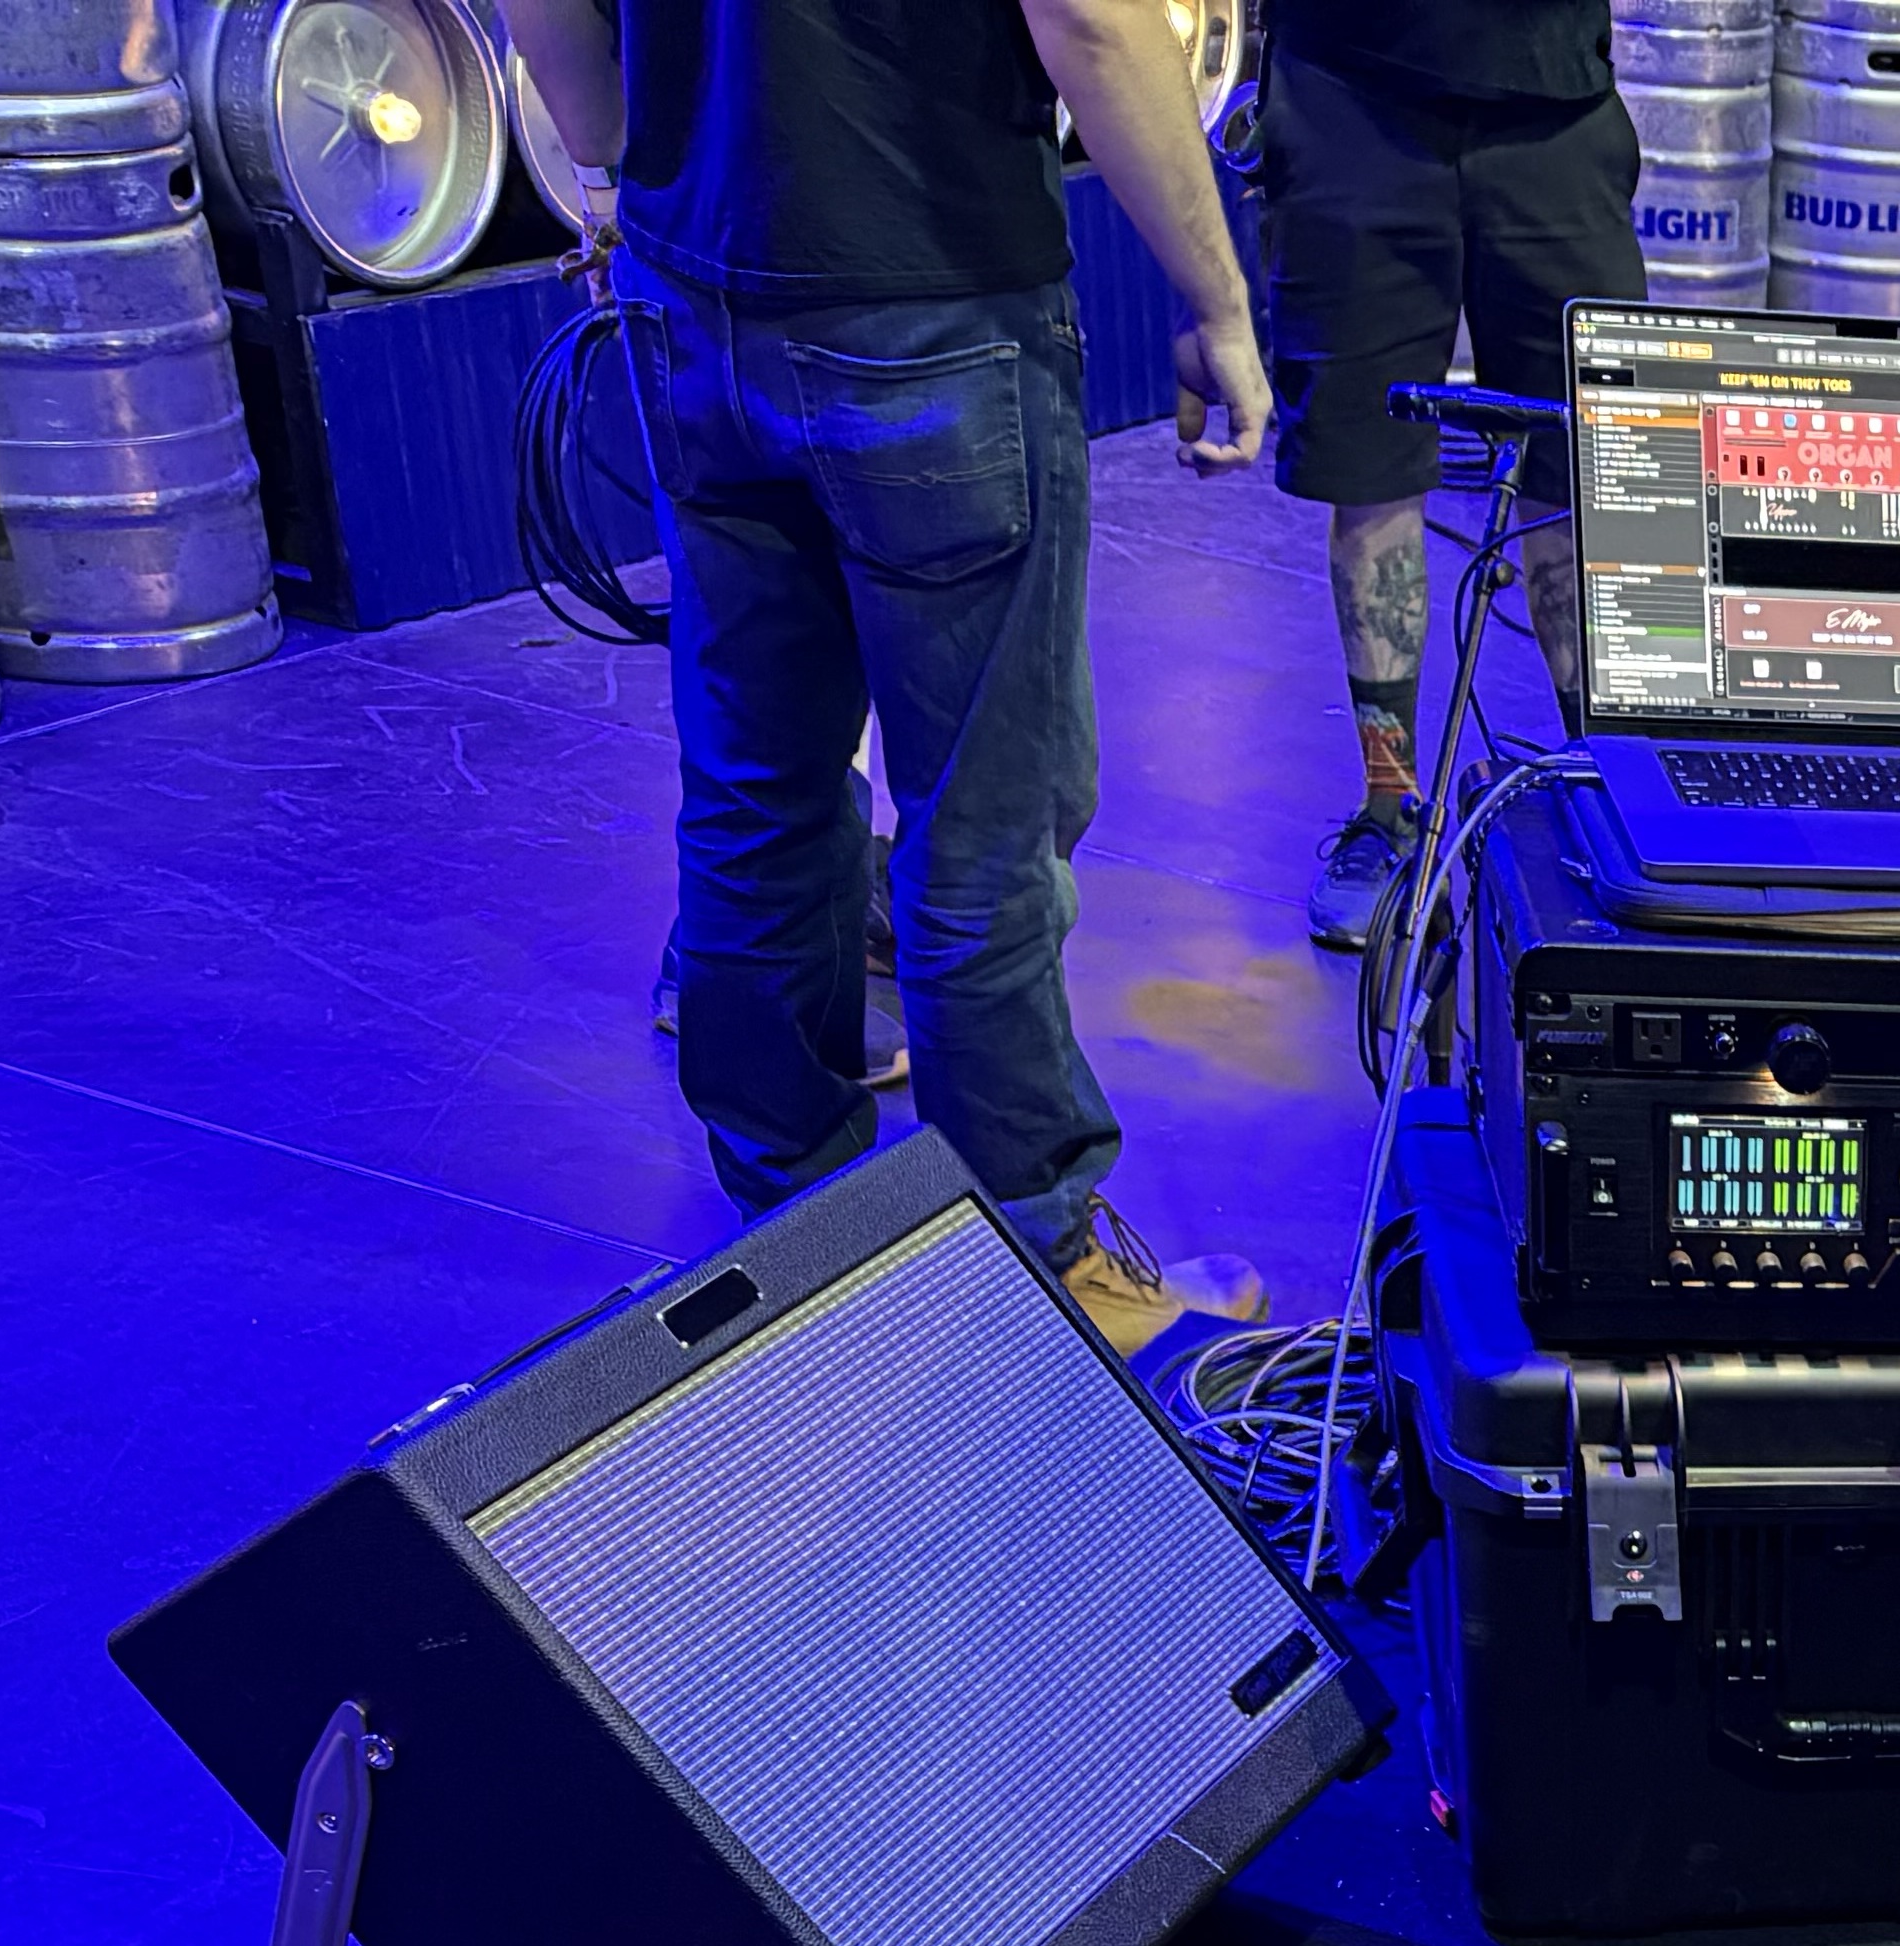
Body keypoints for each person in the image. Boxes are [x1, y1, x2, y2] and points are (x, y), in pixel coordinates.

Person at [507, 0, 1272, 1360]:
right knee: (981, 826)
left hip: (697, 286)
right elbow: (1093, 20)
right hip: (930, 307)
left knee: (755, 792)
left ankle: (791, 1235)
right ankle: (1043, 1257)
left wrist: (621, 158)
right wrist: (1215, 297)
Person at [1249, 1, 1642, 948]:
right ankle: (1390, 813)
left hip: (1554, 100)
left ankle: (1611, 784)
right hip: (1350, 96)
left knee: (1580, 472)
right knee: (1371, 470)